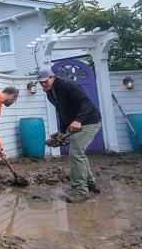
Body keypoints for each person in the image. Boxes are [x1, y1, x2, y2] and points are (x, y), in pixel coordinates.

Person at [37, 69, 102, 203]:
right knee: (79, 153)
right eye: (41, 83)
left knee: (76, 152)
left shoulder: (68, 85)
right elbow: (62, 112)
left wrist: (78, 120)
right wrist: (62, 133)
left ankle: (80, 191)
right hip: (75, 123)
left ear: (52, 77)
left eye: (45, 81)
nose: (43, 85)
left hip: (89, 121)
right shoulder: (50, 94)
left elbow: (86, 103)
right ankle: (90, 183)